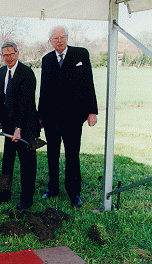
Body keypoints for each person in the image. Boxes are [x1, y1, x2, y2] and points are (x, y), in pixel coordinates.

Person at [38, 26, 98, 207]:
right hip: (51, 119)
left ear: (67, 38)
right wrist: (40, 117)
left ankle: (74, 192)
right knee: (52, 154)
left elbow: (89, 83)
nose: (59, 41)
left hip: (73, 118)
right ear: (50, 41)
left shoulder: (80, 55)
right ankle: (53, 188)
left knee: (72, 155)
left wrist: (92, 111)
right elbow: (44, 90)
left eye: (62, 37)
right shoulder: (47, 59)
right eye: (55, 38)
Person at [0, 41, 41, 210]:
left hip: (26, 126)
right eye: (5, 55)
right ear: (1, 56)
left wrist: (18, 128)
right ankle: (4, 195)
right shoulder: (2, 71)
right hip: (9, 126)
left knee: (27, 163)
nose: (9, 58)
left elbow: (25, 103)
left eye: (12, 54)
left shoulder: (27, 73)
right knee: (7, 162)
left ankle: (27, 199)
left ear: (18, 54)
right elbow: (1, 97)